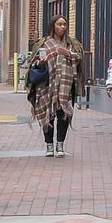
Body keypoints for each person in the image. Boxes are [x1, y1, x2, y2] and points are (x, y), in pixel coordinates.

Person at [28, 16, 83, 157]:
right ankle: (49, 145)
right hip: (46, 84)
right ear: (53, 26)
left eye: (65, 24)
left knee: (63, 114)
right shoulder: (43, 43)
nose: (63, 27)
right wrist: (40, 63)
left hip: (66, 84)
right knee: (48, 114)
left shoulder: (72, 43)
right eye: (59, 24)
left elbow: (80, 58)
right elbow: (32, 63)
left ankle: (60, 145)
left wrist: (67, 53)